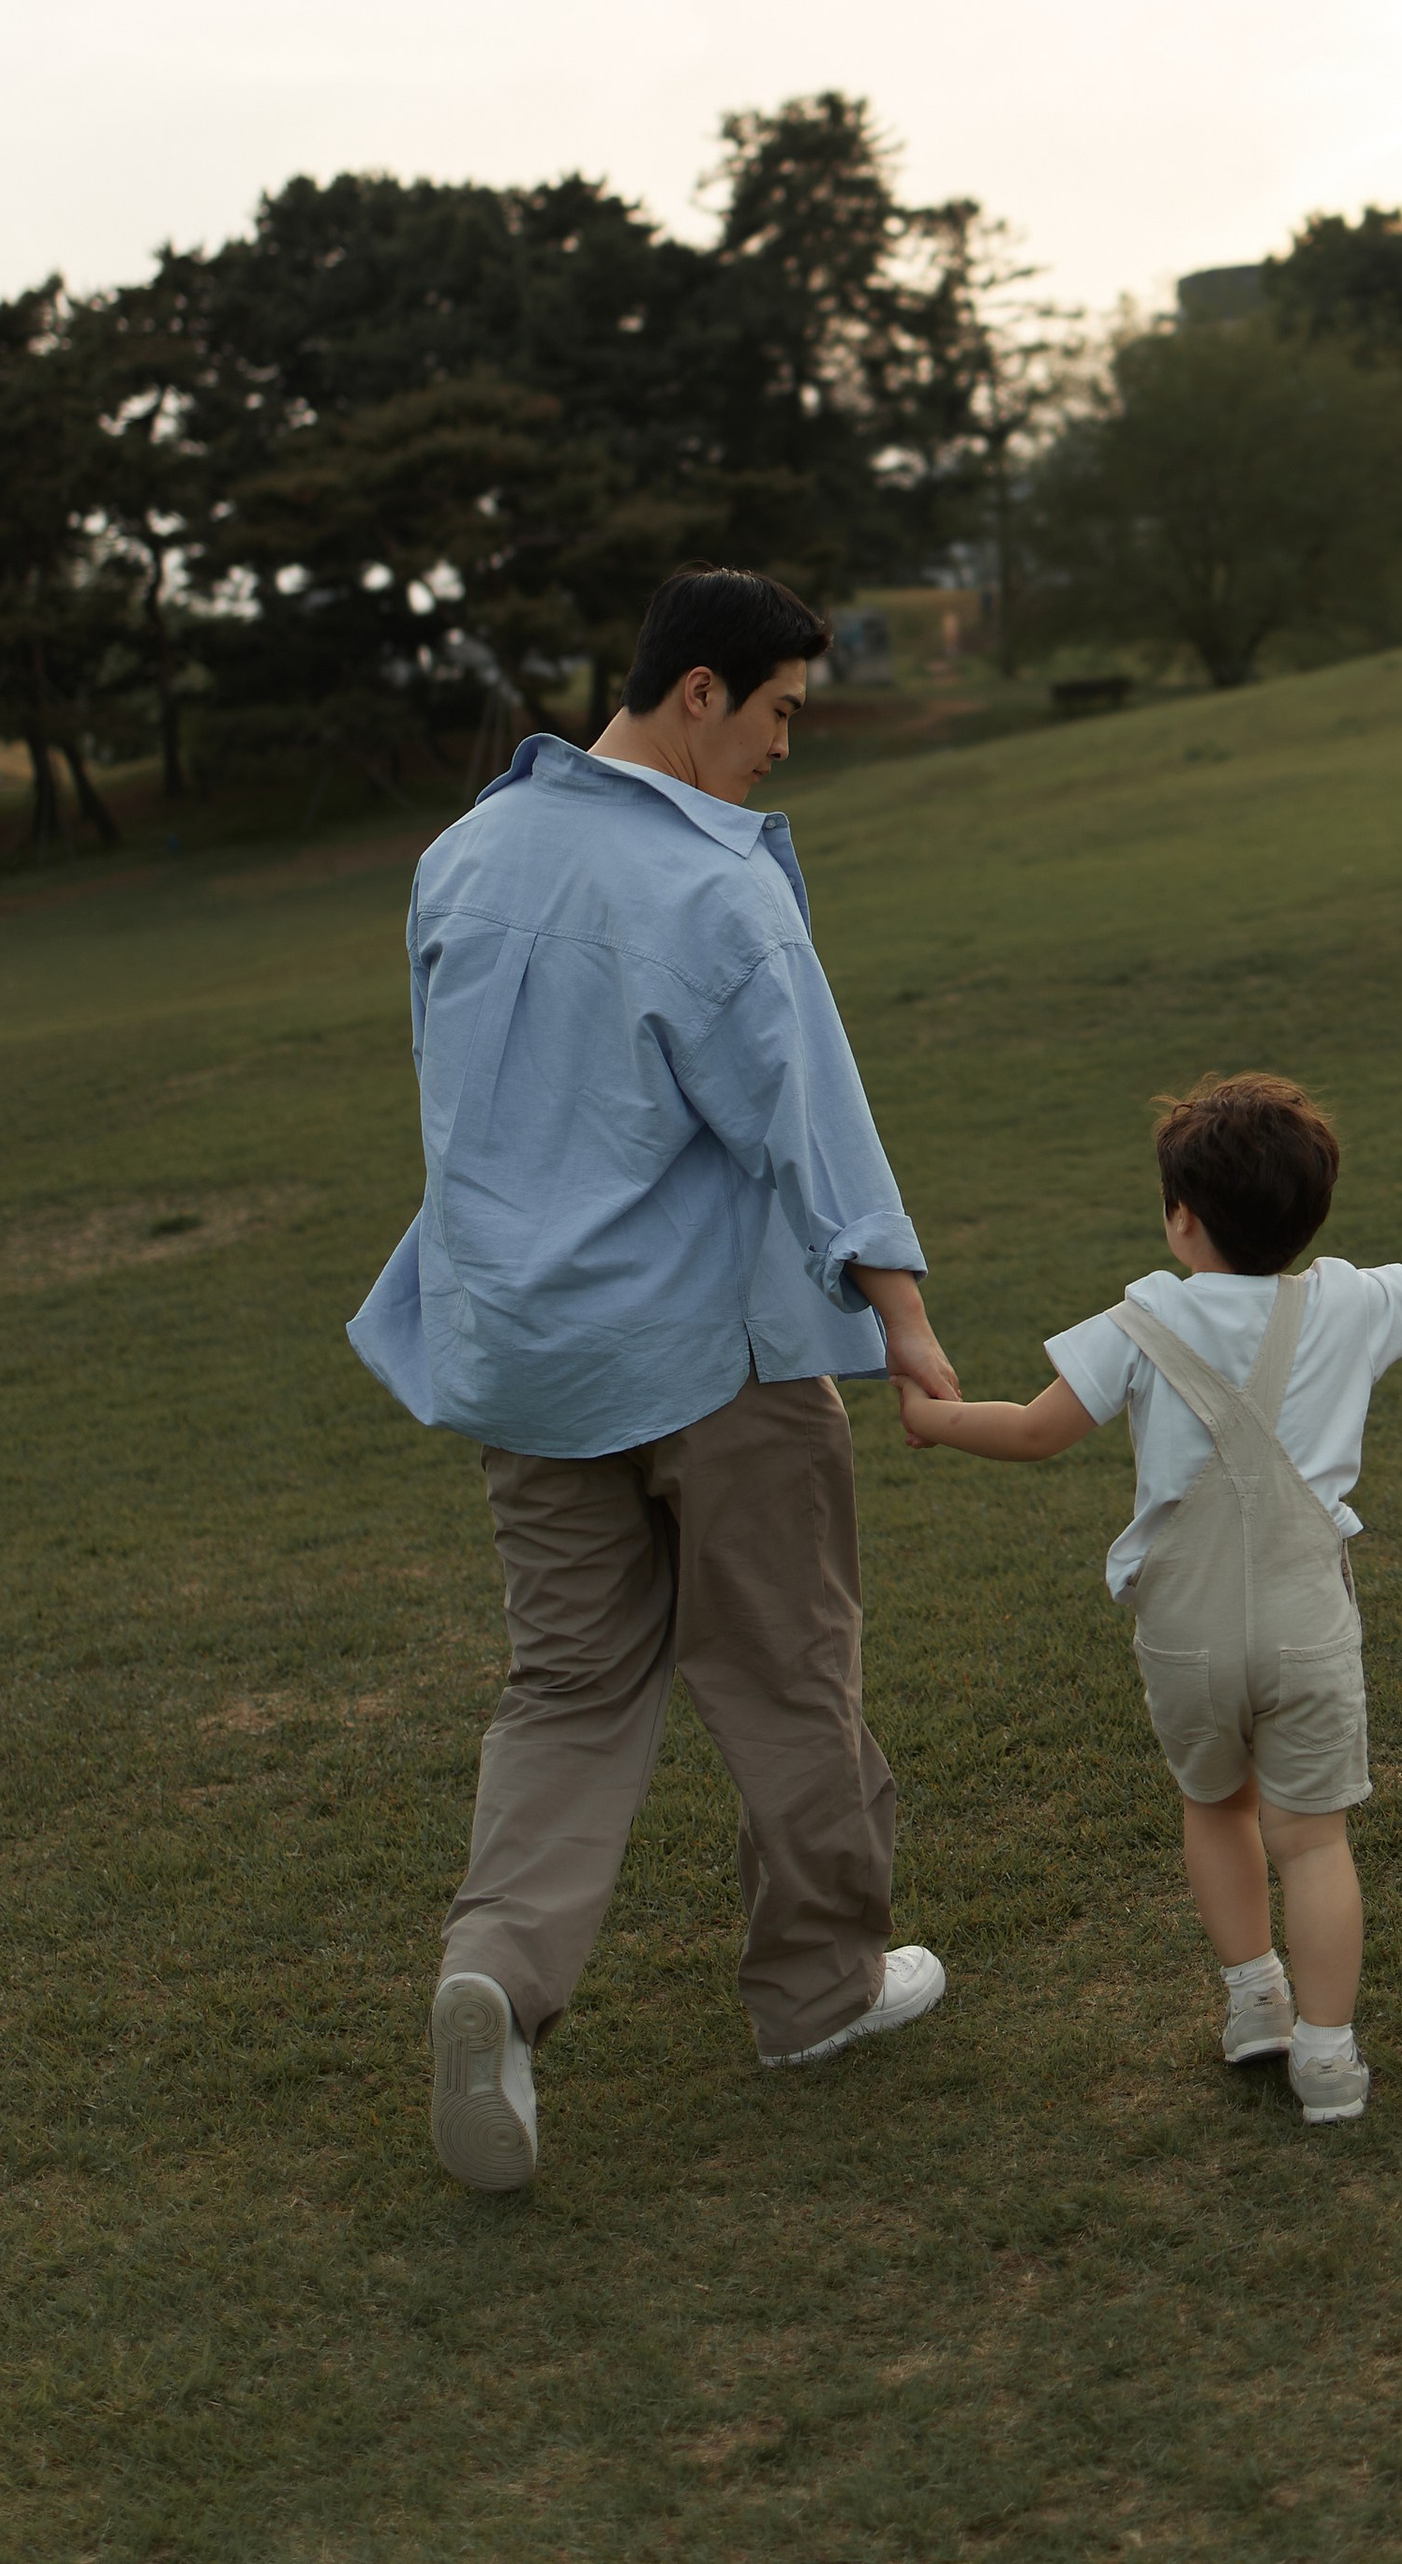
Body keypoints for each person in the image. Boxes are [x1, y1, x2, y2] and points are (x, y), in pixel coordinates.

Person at [347, 565, 961, 2194]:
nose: (782, 748)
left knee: (567, 1685)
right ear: (700, 691)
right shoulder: (712, 885)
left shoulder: (460, 856)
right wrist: (901, 1317)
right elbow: (810, 1118)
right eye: (778, 714)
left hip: (518, 1355)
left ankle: (496, 1974)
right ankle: (820, 1990)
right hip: (709, 1353)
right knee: (785, 1665)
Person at [896, 1073, 1402, 2123]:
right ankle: (1329, 2059)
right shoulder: (1349, 1301)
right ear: (1313, 1214)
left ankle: (1254, 1999)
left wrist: (932, 1418)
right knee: (1312, 1840)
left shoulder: (1140, 1322)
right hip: (1306, 1621)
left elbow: (1037, 1431)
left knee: (1216, 1805)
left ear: (1181, 1219)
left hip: (1185, 1630)